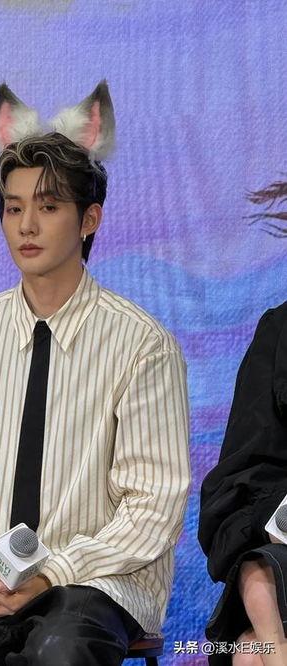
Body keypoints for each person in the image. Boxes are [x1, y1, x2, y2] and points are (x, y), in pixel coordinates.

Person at [0, 81, 190, 666]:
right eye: (14, 208)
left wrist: (54, 570)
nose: (27, 225)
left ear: (89, 219)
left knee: (61, 652)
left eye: (49, 207)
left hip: (97, 580)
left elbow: (154, 503)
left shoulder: (143, 345)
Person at [199, 179, 287, 665]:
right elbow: (237, 484)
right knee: (255, 643)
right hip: (281, 560)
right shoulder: (279, 334)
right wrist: (277, 516)